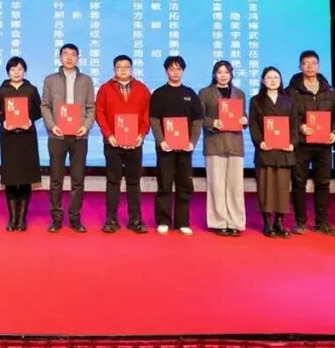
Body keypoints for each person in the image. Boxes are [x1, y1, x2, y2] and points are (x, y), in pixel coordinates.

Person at [285, 50, 335, 236]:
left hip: (323, 145)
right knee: (299, 183)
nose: (310, 66)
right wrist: (300, 126)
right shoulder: (291, 91)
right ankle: (300, 221)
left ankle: (322, 222)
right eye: (306, 63)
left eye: (313, 63)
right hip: (301, 144)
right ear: (300, 66)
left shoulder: (330, 90)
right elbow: (285, 116)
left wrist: (334, 132)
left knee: (323, 183)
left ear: (319, 66)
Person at [41, 43, 96, 233]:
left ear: (78, 58)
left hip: (80, 136)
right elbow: (45, 106)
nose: (70, 57)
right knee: (56, 179)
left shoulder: (86, 81)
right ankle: (56, 218)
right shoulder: (50, 80)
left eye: (73, 54)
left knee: (77, 180)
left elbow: (91, 107)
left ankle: (75, 218)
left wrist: (85, 126)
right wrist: (52, 126)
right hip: (57, 135)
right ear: (60, 57)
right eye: (66, 54)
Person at [94, 54, 151, 234]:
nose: (123, 70)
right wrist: (109, 135)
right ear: (114, 70)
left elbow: (147, 114)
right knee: (113, 181)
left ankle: (136, 220)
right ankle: (111, 220)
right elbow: (99, 113)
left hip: (135, 143)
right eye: (120, 67)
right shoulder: (105, 89)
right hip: (113, 143)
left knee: (134, 182)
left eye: (127, 67)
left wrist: (141, 134)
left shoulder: (142, 89)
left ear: (132, 69)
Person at [148, 55, 204, 235]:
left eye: (178, 69)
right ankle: (163, 220)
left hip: (185, 148)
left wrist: (192, 142)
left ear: (183, 71)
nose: (175, 72)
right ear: (166, 71)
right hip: (165, 148)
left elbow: (197, 120)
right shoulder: (159, 93)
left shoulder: (190, 93)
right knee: (164, 184)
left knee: (184, 185)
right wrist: (161, 141)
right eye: (172, 69)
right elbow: (154, 120)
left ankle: (182, 222)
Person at [0, 56, 43, 232]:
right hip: (9, 137)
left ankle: (22, 219)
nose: (16, 72)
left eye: (20, 69)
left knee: (26, 177)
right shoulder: (1, 90)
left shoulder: (31, 90)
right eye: (13, 69)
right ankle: (12, 218)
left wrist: (30, 119)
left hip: (27, 136)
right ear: (8, 71)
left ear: (24, 71)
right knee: (11, 177)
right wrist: (4, 121)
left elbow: (39, 110)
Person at [198, 60, 249, 236]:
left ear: (231, 74)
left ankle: (236, 222)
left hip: (235, 143)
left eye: (226, 72)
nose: (223, 75)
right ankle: (219, 221)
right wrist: (212, 122)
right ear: (214, 74)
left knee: (236, 186)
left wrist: (244, 120)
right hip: (215, 142)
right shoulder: (205, 93)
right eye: (219, 72)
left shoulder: (239, 93)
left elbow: (243, 116)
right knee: (216, 185)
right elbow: (199, 118)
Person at [248, 67, 299, 238]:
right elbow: (253, 125)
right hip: (266, 150)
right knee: (266, 187)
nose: (272, 80)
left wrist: (292, 143)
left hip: (284, 150)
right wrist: (260, 141)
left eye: (276, 77)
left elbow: (294, 125)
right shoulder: (256, 101)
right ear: (263, 81)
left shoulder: (289, 101)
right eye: (269, 77)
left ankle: (280, 221)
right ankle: (267, 222)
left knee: (282, 188)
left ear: (281, 80)